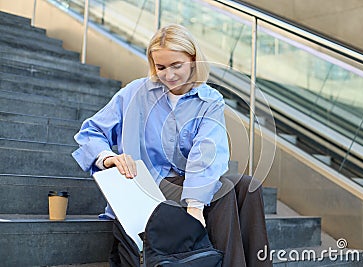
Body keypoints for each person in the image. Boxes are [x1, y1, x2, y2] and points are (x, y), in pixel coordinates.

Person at [72, 24, 272, 267]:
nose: (168, 75)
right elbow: (90, 131)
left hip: (190, 180)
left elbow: (207, 151)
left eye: (176, 65)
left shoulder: (209, 100)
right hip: (149, 183)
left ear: (193, 60)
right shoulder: (135, 92)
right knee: (224, 190)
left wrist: (195, 205)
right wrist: (107, 157)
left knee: (248, 186)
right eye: (161, 67)